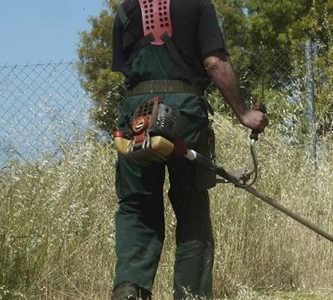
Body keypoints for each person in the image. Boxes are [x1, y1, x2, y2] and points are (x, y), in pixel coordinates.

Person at [110, 0, 268, 299]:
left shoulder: (126, 9)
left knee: (136, 207)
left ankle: (130, 288)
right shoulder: (197, 4)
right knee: (191, 204)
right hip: (185, 115)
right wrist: (245, 114)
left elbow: (128, 70)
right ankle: (190, 294)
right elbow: (214, 62)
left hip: (138, 117)